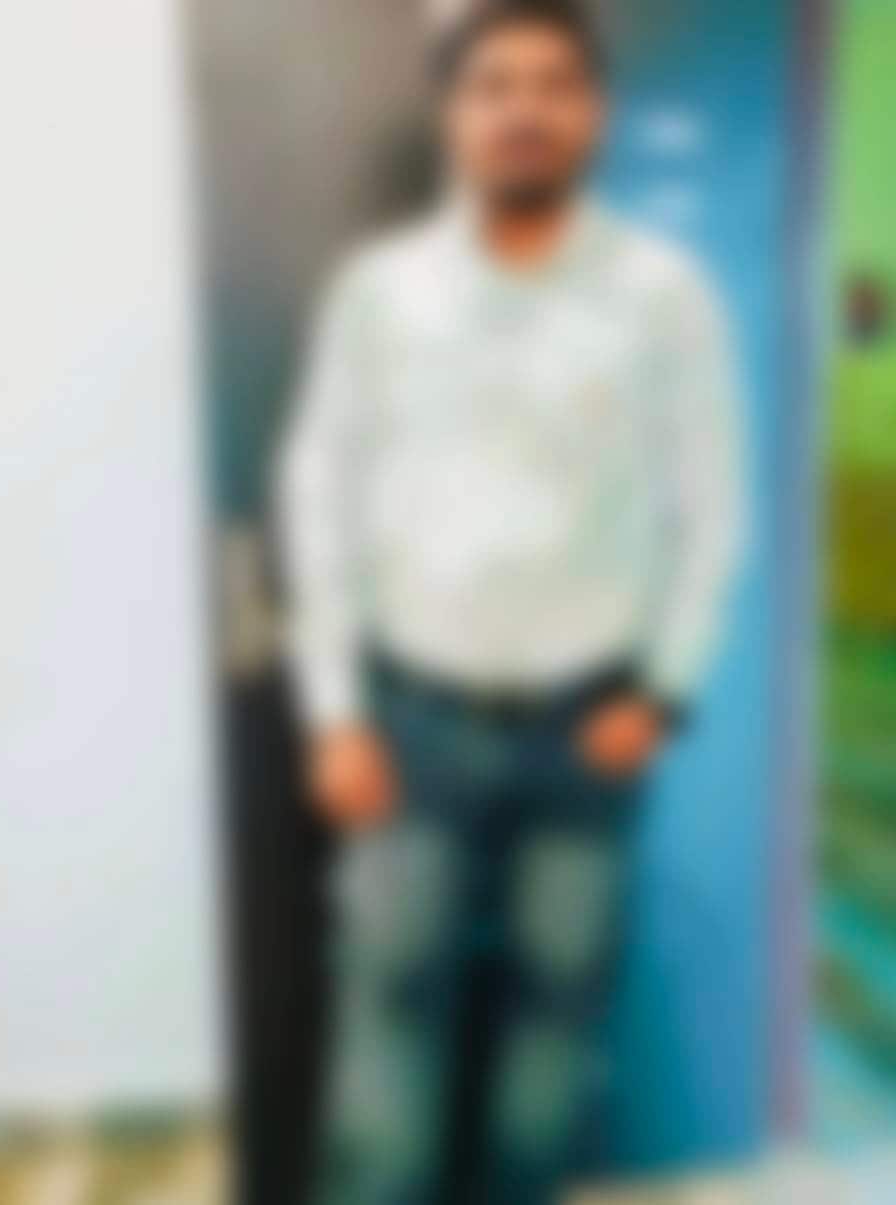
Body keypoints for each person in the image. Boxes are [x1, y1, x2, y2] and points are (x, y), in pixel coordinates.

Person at [278, 2, 744, 1201]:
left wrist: (665, 692)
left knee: (553, 1041)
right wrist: (333, 711)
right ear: (453, 113)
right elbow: (318, 492)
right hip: (408, 726)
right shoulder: (380, 292)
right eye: (493, 85)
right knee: (389, 1031)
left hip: (587, 731)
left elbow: (713, 505)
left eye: (552, 83)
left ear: (594, 112)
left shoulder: (662, 294)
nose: (523, 109)